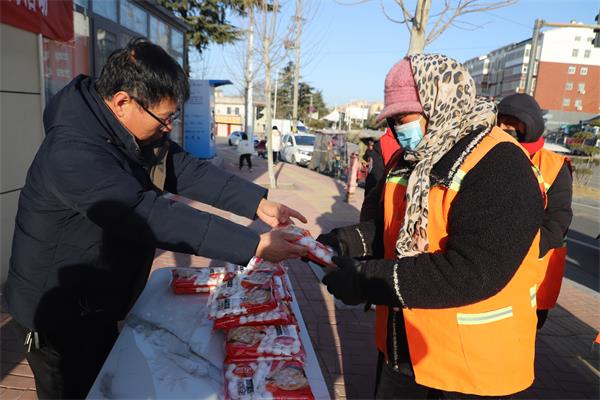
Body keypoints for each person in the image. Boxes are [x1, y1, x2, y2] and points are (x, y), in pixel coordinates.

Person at [5, 38, 307, 399]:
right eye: (164, 118)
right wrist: (253, 244)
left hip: (95, 303)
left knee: (106, 382)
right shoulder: (73, 151)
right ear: (123, 102)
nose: (168, 128)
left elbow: (184, 168)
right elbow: (146, 213)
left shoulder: (121, 129)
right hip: (57, 316)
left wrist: (257, 204)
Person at [317, 54, 545, 398]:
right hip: (404, 350)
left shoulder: (500, 163)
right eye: (391, 120)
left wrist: (365, 281)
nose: (397, 129)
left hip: (470, 367)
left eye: (402, 118)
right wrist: (342, 242)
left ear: (438, 103)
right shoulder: (409, 159)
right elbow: (391, 228)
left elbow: (473, 271)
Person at [497, 93, 573, 329]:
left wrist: (517, 249)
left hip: (532, 269)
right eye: (501, 122)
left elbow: (557, 222)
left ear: (530, 124)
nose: (505, 128)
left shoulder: (554, 166)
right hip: (489, 265)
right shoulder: (488, 154)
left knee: (524, 331)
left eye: (512, 122)